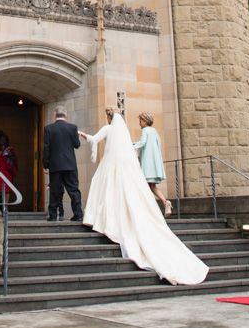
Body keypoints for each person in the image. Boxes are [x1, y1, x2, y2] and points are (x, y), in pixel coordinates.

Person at [79, 107, 208, 285]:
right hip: (126, 166)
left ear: (109, 117)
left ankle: (103, 219)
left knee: (103, 187)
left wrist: (80, 133)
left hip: (110, 164)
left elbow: (94, 139)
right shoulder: (124, 132)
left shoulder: (109, 129)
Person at [42, 105, 83, 222]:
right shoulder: (72, 128)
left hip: (55, 165)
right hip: (70, 164)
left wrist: (45, 164)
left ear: (55, 115)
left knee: (54, 190)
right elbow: (77, 145)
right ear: (66, 115)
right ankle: (78, 213)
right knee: (74, 189)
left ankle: (53, 215)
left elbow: (46, 148)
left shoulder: (49, 129)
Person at [133, 111, 172, 217]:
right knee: (152, 186)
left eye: (140, 121)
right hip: (155, 164)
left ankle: (148, 210)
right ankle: (165, 202)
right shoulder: (154, 131)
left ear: (145, 121)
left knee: (144, 186)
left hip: (148, 165)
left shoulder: (145, 131)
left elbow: (143, 142)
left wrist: (132, 147)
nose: (139, 124)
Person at [0, 131, 18, 198]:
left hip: (7, 173)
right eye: (1, 140)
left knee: (7, 190)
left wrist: (10, 153)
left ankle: (6, 206)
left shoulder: (10, 150)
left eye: (4, 140)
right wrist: (1, 153)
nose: (3, 141)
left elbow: (14, 161)